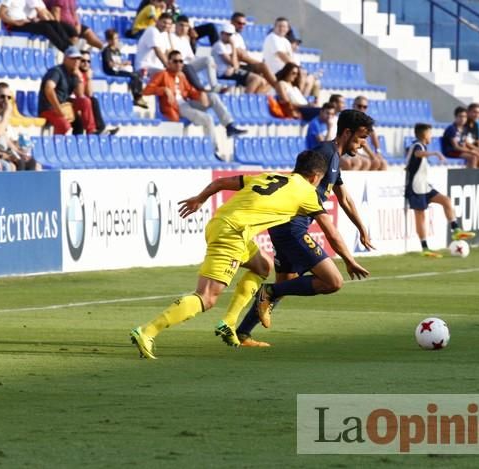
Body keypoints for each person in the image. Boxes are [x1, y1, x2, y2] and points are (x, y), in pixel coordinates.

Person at [129, 150, 369, 358]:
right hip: (232, 233)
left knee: (263, 266)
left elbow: (220, 183)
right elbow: (332, 233)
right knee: (207, 297)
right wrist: (349, 260)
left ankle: (230, 323)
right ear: (316, 177)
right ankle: (147, 331)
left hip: (225, 225)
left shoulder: (271, 176)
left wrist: (199, 199)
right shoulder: (307, 192)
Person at [235, 109, 375, 347]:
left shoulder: (334, 158)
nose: (362, 144)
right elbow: (297, 185)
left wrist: (361, 228)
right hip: (291, 226)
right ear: (347, 132)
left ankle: (243, 333)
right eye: (361, 137)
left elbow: (345, 199)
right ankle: (267, 292)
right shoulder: (323, 153)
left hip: (286, 225)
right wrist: (349, 259)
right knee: (333, 282)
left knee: (286, 282)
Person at [143, 50, 246, 144]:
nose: (179, 64)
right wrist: (164, 90)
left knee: (213, 96)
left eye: (181, 61)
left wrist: (201, 95)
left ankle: (229, 126)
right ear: (169, 63)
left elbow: (190, 91)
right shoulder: (162, 74)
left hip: (187, 103)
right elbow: (147, 90)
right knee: (208, 118)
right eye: (175, 61)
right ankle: (213, 151)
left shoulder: (181, 76)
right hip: (176, 107)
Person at [406, 123, 476, 257]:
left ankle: (456, 230)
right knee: (420, 216)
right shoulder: (417, 145)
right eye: (430, 133)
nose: (431, 136)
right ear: (424, 134)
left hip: (424, 186)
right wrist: (435, 153)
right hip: (415, 187)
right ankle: (425, 248)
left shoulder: (421, 145)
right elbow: (418, 153)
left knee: (446, 200)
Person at [228, 12, 287, 102]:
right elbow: (242, 56)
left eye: (244, 24)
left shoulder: (238, 36)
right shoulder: (229, 35)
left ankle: (253, 102)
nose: (242, 26)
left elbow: (244, 54)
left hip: (244, 65)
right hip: (235, 67)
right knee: (262, 69)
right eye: (239, 23)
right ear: (232, 22)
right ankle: (281, 92)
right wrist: (257, 63)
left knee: (266, 81)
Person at [38, 46, 96, 135]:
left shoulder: (73, 73)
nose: (76, 61)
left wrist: (80, 77)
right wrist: (58, 110)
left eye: (78, 59)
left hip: (64, 106)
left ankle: (91, 133)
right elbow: (49, 88)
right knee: (65, 125)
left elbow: (80, 95)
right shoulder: (57, 71)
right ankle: (57, 147)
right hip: (49, 108)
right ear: (65, 59)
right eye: (73, 58)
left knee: (85, 101)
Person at [169, 15, 226, 93]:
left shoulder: (185, 39)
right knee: (187, 66)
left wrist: (193, 41)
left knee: (209, 59)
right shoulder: (170, 37)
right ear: (176, 25)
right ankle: (200, 89)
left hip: (187, 65)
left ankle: (214, 86)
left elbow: (191, 57)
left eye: (186, 26)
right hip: (178, 65)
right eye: (181, 25)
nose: (183, 28)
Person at [0, 83, 39, 171]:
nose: (5, 101)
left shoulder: (4, 118)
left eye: (8, 97)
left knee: (33, 162)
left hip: (6, 151)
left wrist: (20, 152)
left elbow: (7, 140)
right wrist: (7, 112)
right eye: (2, 97)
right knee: (17, 164)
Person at [0, 0, 78, 52]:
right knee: (45, 28)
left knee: (53, 23)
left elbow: (39, 11)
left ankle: (70, 47)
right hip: (14, 25)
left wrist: (33, 19)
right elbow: (0, 14)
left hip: (25, 21)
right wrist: (15, 22)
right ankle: (65, 49)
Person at [211, 23, 267, 94]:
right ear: (222, 34)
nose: (229, 37)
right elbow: (232, 62)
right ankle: (247, 98)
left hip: (232, 71)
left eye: (230, 35)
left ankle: (251, 100)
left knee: (262, 81)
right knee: (256, 79)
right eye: (227, 34)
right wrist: (233, 46)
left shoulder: (228, 46)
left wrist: (233, 67)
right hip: (223, 73)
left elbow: (236, 65)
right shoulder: (219, 45)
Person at [102, 28, 148, 108]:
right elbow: (110, 64)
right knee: (134, 75)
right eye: (115, 38)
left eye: (117, 38)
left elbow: (118, 62)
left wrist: (124, 64)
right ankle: (137, 97)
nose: (117, 40)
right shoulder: (107, 51)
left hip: (118, 69)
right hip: (112, 71)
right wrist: (122, 64)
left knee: (137, 74)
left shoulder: (116, 50)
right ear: (109, 40)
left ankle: (139, 95)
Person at [76, 49, 117, 135]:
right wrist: (85, 78)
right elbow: (79, 94)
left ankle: (100, 128)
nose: (86, 63)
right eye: (83, 61)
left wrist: (89, 78)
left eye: (88, 61)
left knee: (93, 100)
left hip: (81, 104)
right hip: (72, 103)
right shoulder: (75, 73)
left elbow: (89, 94)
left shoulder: (86, 74)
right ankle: (96, 130)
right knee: (88, 101)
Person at [352, 95, 387, 171]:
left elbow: (373, 135)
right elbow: (361, 141)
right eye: (359, 106)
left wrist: (378, 151)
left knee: (383, 163)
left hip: (361, 153)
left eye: (365, 107)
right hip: (351, 152)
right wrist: (372, 155)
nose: (362, 109)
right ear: (353, 106)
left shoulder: (365, 120)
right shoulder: (351, 119)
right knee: (371, 162)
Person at [286, 29, 320, 104]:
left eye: (298, 44)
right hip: (293, 75)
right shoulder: (287, 53)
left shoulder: (296, 56)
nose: (296, 46)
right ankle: (303, 99)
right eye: (295, 43)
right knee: (305, 75)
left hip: (299, 76)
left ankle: (311, 101)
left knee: (315, 82)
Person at [134, 13, 172, 78]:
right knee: (167, 76)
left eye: (169, 24)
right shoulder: (151, 30)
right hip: (145, 67)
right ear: (158, 21)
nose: (166, 25)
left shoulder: (165, 34)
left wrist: (175, 65)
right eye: (164, 22)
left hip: (158, 68)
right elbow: (158, 51)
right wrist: (169, 66)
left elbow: (169, 52)